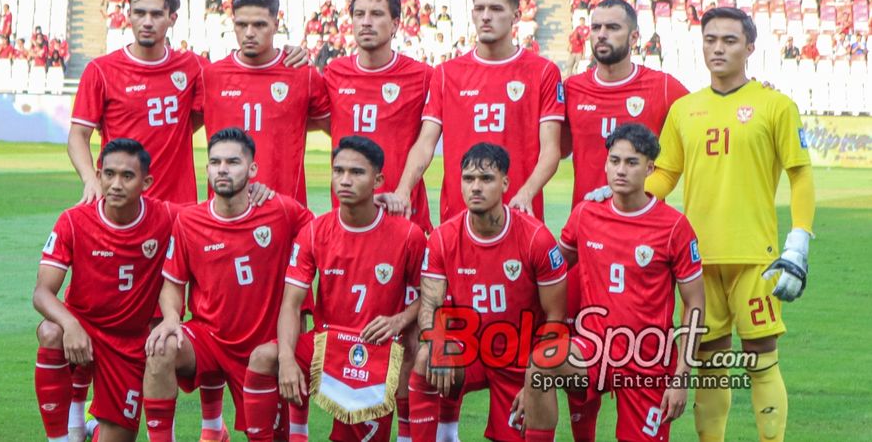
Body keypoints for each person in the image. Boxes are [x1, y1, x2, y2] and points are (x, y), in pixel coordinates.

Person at [649, 8, 815, 442]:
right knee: (709, 360)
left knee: (761, 355)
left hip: (755, 257)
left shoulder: (775, 105)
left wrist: (798, 240)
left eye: (729, 40)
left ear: (750, 48)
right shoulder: (684, 109)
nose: (718, 48)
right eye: (710, 39)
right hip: (697, 260)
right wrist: (621, 195)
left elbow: (800, 172)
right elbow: (666, 174)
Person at [522, 123, 705, 442]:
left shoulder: (674, 227)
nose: (621, 170)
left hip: (648, 361)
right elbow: (552, 270)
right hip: (592, 350)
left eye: (631, 162)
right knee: (541, 366)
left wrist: (681, 378)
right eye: (614, 161)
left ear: (650, 168)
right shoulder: (585, 215)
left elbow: (695, 304)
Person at [242, 136, 427, 442]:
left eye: (356, 172)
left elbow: (431, 296)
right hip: (324, 342)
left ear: (378, 180)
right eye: (338, 171)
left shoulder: (408, 235)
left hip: (374, 349)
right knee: (265, 357)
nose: (344, 180)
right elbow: (291, 303)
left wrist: (398, 320)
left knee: (412, 346)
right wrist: (287, 358)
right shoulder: (314, 232)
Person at [141, 128, 314, 442]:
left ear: (252, 170)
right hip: (209, 339)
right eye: (215, 162)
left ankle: (296, 428)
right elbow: (172, 284)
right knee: (160, 347)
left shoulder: (281, 211)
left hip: (264, 347)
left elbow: (326, 233)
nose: (222, 169)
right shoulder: (189, 221)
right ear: (206, 169)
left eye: (233, 162)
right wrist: (170, 319)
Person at [68, 0, 307, 206]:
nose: (147, 22)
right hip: (122, 199)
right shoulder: (101, 70)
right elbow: (78, 135)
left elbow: (242, 83)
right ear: (128, 14)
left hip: (179, 206)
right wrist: (91, 179)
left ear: (172, 18)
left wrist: (288, 53)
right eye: (140, 13)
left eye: (156, 14)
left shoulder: (194, 68)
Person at [408, 143, 567, 442]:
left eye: (486, 179)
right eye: (468, 179)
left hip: (519, 358)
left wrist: (536, 378)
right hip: (468, 350)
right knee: (425, 356)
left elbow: (556, 315)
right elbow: (429, 304)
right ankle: (441, 437)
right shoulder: (443, 238)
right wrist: (438, 341)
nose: (476, 187)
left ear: (505, 183)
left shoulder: (536, 239)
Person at [33, 139, 176, 442]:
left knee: (119, 437)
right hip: (81, 325)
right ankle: (59, 438)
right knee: (50, 331)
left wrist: (258, 192)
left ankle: (92, 427)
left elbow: (214, 214)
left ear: (146, 182)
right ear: (98, 176)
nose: (115, 184)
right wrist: (70, 324)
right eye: (108, 174)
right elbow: (42, 293)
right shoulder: (73, 220)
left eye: (127, 176)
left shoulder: (165, 217)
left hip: (128, 343)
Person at [383, 0, 565, 225]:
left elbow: (551, 150)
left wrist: (527, 192)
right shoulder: (447, 74)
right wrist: (404, 189)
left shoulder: (543, 72)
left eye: (496, 9)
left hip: (518, 214)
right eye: (480, 9)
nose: (486, 17)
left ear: (516, 16)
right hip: (458, 218)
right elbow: (425, 143)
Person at [201, 0, 331, 206]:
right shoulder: (210, 76)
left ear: (276, 24)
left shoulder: (303, 75)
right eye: (242, 24)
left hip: (285, 211)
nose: (249, 33)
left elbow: (337, 126)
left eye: (259, 25)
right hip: (226, 213)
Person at [323, 0, 434, 236]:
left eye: (376, 14)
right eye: (359, 14)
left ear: (395, 24)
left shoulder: (424, 76)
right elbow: (319, 120)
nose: (366, 22)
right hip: (348, 215)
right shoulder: (334, 73)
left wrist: (404, 189)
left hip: (403, 212)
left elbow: (427, 141)